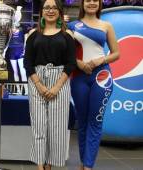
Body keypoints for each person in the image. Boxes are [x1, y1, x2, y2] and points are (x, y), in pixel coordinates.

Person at [23, 0, 76, 169]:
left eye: (54, 7)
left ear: (59, 12)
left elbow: (71, 63)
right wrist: (39, 85)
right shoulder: (33, 34)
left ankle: (50, 165)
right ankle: (40, 167)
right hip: (36, 80)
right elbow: (27, 62)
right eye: (47, 7)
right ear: (42, 11)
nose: (50, 10)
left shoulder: (68, 35)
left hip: (60, 81)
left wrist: (56, 87)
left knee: (57, 128)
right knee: (39, 127)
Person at [67, 0, 119, 169]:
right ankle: (83, 162)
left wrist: (100, 60)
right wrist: (78, 63)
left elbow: (116, 53)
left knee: (95, 121)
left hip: (102, 76)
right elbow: (65, 52)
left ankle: (88, 166)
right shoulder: (72, 25)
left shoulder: (106, 25)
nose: (91, 3)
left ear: (99, 4)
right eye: (87, 0)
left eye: (94, 0)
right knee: (82, 122)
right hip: (79, 77)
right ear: (83, 4)